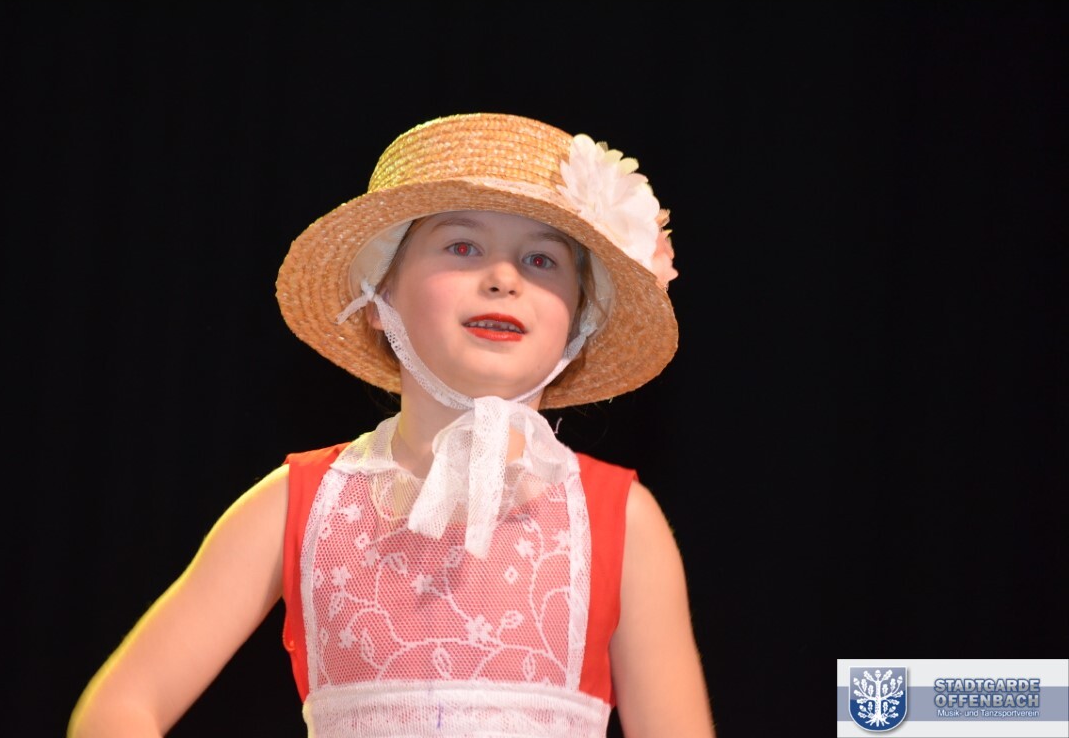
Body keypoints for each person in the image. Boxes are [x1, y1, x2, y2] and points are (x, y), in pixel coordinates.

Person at [68, 112, 715, 737]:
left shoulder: (621, 519)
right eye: (463, 246)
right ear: (379, 296)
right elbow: (118, 708)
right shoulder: (299, 502)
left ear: (580, 318)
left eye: (542, 259)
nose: (503, 278)